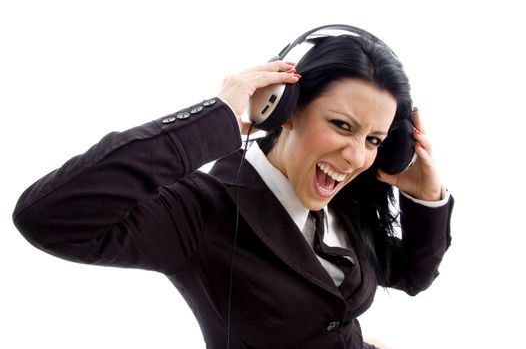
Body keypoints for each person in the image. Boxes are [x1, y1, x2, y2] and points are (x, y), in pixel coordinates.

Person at [12, 25, 454, 349]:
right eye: (341, 125)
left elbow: (412, 277)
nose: (357, 157)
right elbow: (48, 218)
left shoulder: (344, 199)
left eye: (374, 140)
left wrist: (425, 198)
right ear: (286, 109)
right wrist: (217, 118)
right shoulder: (203, 211)